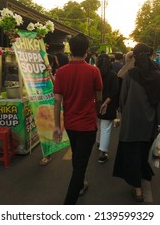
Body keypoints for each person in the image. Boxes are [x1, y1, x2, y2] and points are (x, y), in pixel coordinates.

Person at [113, 43, 160, 202]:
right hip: (149, 123)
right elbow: (159, 102)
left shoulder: (130, 75)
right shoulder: (157, 76)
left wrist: (124, 112)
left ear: (135, 57)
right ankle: (144, 176)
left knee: (132, 154)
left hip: (131, 123)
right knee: (144, 151)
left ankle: (137, 189)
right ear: (150, 56)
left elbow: (122, 99)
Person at [52, 33, 103, 205]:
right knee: (80, 164)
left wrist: (57, 126)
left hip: (71, 125)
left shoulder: (60, 72)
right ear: (87, 50)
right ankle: (69, 203)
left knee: (77, 158)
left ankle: (80, 183)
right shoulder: (93, 71)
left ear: (70, 50)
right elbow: (99, 97)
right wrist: (97, 114)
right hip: (88, 124)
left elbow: (57, 100)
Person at [96, 53, 119, 164]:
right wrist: (106, 102)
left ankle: (98, 142)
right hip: (108, 105)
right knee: (106, 128)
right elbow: (115, 91)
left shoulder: (95, 73)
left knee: (99, 125)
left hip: (96, 104)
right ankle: (102, 153)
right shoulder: (113, 74)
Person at [39, 54, 59, 166]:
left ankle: (47, 154)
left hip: (52, 104)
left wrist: (50, 73)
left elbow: (56, 85)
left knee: (48, 128)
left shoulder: (57, 72)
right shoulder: (38, 74)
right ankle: (47, 152)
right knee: (44, 128)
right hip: (40, 103)